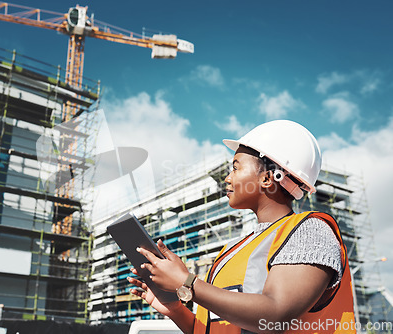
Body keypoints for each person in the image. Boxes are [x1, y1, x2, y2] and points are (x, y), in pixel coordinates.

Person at [127, 120, 355, 334]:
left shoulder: (311, 231)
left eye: (236, 168)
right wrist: (177, 311)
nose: (227, 178)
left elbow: (275, 315)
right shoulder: (233, 250)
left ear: (267, 178)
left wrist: (187, 282)